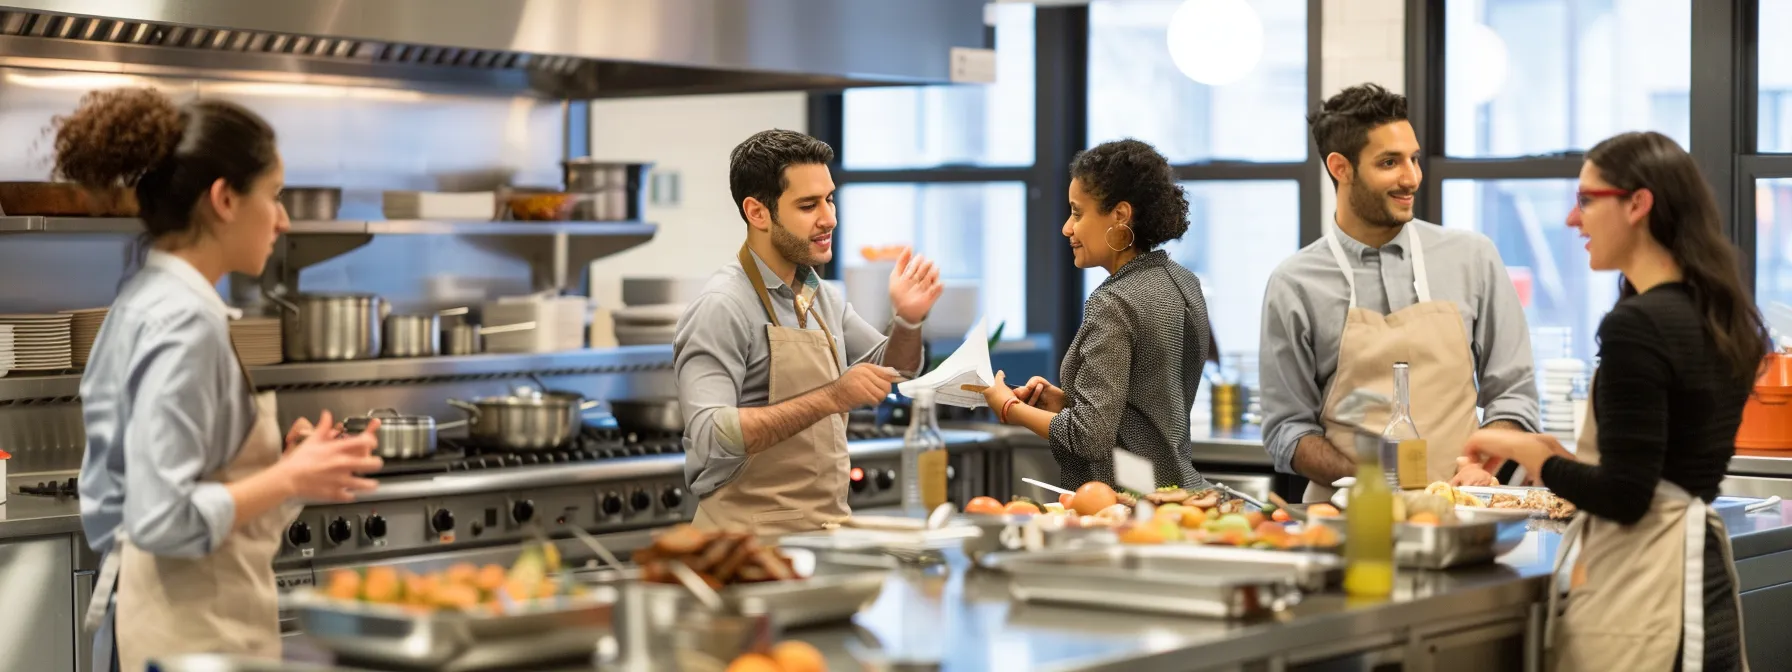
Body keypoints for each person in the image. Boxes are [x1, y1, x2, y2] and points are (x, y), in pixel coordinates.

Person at [61, 88, 385, 672]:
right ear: (225, 199)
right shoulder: (184, 322)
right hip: (187, 635)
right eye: (274, 195)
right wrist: (288, 476)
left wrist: (287, 474)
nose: (283, 220)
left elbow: (188, 492)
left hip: (164, 619)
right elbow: (162, 518)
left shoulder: (147, 298)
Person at [1464, 131, 1761, 671]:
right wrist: (1553, 454)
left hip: (1648, 589)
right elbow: (1660, 470)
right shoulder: (1714, 314)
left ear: (1637, 204)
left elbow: (1626, 495)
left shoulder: (1637, 326)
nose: (1571, 219)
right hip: (1702, 582)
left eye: (1586, 199)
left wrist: (1531, 456)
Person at [1260, 83, 1540, 501]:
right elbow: (1287, 429)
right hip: (1346, 516)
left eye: (1414, 159)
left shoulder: (1472, 257)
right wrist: (1374, 485)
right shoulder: (1295, 283)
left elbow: (1514, 395)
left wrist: (1479, 466)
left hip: (1462, 511)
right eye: (1389, 162)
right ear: (1341, 168)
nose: (1411, 178)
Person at [674, 129, 942, 535]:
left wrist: (908, 320)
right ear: (757, 213)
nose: (829, 218)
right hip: (745, 543)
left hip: (822, 533)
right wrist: (833, 397)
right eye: (807, 205)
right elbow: (712, 434)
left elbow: (895, 371)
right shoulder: (722, 305)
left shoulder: (822, 296)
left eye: (829, 199)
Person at [979, 139, 1211, 490]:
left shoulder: (1113, 302)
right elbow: (1150, 409)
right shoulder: (1183, 282)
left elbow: (1089, 438)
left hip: (1125, 504)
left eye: (1077, 213)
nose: (1067, 228)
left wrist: (1009, 407)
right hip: (1178, 495)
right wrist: (1069, 403)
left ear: (1120, 215)